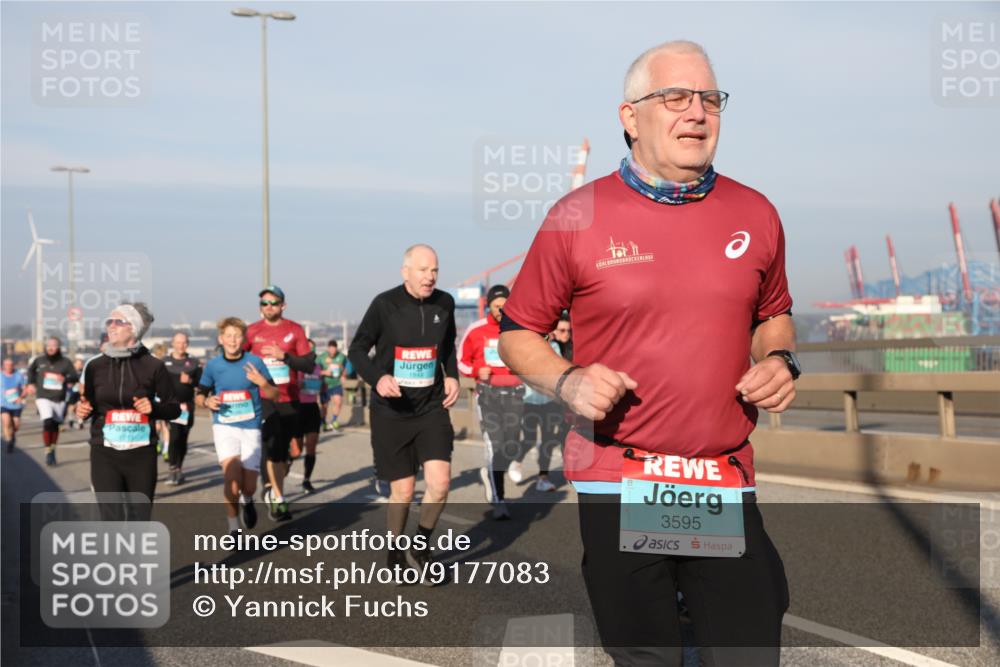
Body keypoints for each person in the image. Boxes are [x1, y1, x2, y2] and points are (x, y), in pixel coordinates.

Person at [498, 41, 799, 666]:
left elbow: (774, 314)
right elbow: (519, 331)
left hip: (718, 476)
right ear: (630, 117)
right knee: (649, 657)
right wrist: (569, 378)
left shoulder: (756, 212)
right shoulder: (576, 215)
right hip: (623, 476)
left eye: (710, 99)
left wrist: (780, 359)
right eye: (676, 97)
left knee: (747, 651)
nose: (697, 112)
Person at [348, 244, 460, 576]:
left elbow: (448, 346)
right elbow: (357, 350)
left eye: (435, 270)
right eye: (423, 270)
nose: (430, 277)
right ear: (405, 271)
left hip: (431, 408)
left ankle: (421, 547)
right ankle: (395, 549)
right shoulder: (385, 305)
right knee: (405, 490)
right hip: (391, 411)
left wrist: (452, 376)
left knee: (440, 483)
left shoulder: (445, 303)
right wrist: (377, 377)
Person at [75, 303, 180, 521]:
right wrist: (82, 409)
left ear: (133, 328)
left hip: (141, 453)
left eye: (117, 321)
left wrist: (154, 409)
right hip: (105, 451)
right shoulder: (95, 366)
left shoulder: (153, 366)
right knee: (110, 517)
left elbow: (174, 408)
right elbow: (89, 403)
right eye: (108, 322)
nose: (110, 326)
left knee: (138, 518)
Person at [197, 318, 277, 539]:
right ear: (221, 339)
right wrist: (206, 402)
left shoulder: (255, 362)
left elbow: (275, 394)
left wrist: (262, 383)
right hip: (224, 426)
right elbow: (200, 394)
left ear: (244, 339)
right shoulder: (213, 366)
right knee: (232, 481)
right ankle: (233, 529)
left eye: (237, 336)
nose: (233, 340)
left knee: (249, 486)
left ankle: (248, 499)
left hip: (251, 427)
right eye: (228, 336)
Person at [245, 285, 314, 521]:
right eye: (264, 303)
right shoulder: (252, 331)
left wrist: (284, 356)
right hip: (263, 399)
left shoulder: (294, 330)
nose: (268, 307)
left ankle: (273, 487)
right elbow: (237, 359)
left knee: (293, 450)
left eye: (273, 302)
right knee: (272, 445)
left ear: (283, 305)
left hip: (290, 399)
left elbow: (308, 364)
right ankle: (276, 495)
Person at [458, 284, 524, 519]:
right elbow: (461, 362)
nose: (501, 311)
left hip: (515, 395)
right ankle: (500, 501)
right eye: (497, 307)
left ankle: (491, 472)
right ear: (489, 306)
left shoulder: (518, 330)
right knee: (494, 447)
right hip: (488, 396)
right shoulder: (476, 330)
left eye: (505, 307)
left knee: (511, 443)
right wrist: (477, 369)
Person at [26, 336, 79, 466]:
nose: (50, 347)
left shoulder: (65, 362)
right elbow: (30, 372)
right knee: (48, 421)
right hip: (43, 396)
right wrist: (31, 384)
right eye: (48, 345)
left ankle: (52, 449)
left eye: (54, 345)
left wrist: (65, 379)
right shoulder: (39, 360)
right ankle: (47, 450)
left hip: (59, 398)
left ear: (59, 347)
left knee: (55, 425)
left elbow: (74, 376)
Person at [162, 332, 202, 485]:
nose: (181, 346)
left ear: (188, 344)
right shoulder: (164, 362)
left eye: (184, 343)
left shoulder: (193, 363)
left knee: (183, 438)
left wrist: (190, 381)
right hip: (170, 406)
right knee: (174, 436)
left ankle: (179, 467)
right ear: (173, 343)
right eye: (178, 342)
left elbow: (201, 384)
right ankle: (172, 468)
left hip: (187, 406)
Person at [297, 339, 324, 493]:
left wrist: (321, 386)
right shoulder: (296, 368)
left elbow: (320, 385)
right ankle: (286, 464)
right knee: (297, 449)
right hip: (298, 408)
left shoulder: (318, 368)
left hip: (312, 407)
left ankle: (306, 480)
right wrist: (296, 385)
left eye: (312, 351)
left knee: (311, 446)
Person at [318, 339, 348, 430]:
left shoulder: (341, 356)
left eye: (334, 349)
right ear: (328, 349)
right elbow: (315, 370)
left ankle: (334, 420)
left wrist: (343, 375)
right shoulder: (321, 357)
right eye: (331, 349)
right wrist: (324, 372)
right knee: (324, 406)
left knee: (338, 402)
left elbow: (345, 368)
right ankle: (323, 422)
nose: (332, 351)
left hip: (336, 383)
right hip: (325, 384)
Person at [2, 358, 28, 453]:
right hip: (3, 403)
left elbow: (25, 388)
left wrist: (21, 397)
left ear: (13, 365)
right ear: (3, 366)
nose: (9, 367)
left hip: (16, 404)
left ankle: (12, 436)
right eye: (7, 365)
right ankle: (9, 441)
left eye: (10, 365)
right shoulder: (0, 375)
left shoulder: (19, 375)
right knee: (6, 422)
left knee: (16, 425)